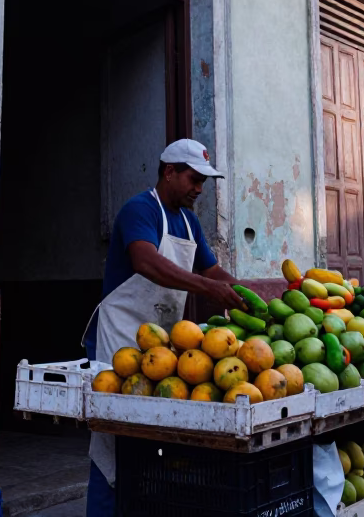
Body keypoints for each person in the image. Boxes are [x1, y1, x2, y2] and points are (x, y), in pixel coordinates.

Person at [82, 139, 245, 517]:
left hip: (165, 350)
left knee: (154, 445)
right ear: (169, 172)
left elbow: (211, 270)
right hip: (120, 341)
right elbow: (146, 262)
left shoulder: (189, 220)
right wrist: (207, 288)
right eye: (193, 179)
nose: (199, 189)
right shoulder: (139, 209)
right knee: (112, 447)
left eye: (204, 181)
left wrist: (245, 296)